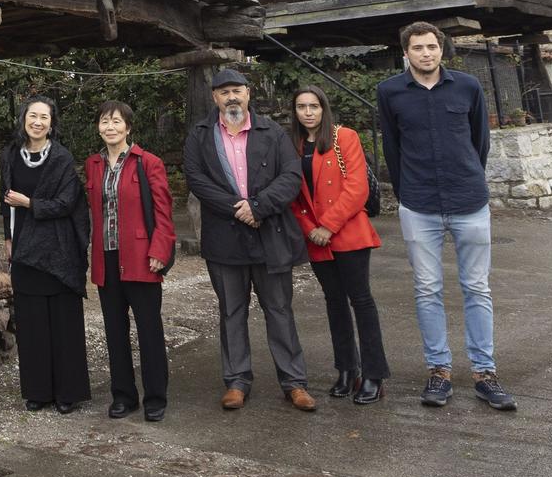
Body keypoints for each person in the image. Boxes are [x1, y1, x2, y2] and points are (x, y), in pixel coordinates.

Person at [376, 21, 517, 411]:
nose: (426, 53)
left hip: (469, 201)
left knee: (477, 287)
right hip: (418, 205)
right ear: (406, 52)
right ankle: (438, 371)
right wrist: (407, 195)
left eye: (432, 47)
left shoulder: (468, 87)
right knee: (427, 289)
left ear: (442, 49)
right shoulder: (389, 92)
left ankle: (485, 374)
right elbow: (392, 146)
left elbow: (479, 143)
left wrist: (468, 178)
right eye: (418, 48)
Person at [184, 68, 318, 413]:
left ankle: (294, 382)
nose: (231, 97)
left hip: (268, 231)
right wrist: (237, 209)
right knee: (231, 311)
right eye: (224, 91)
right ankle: (237, 381)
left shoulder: (272, 132)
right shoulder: (200, 135)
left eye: (237, 91)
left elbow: (291, 176)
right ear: (215, 97)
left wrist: (258, 207)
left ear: (248, 94)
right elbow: (196, 179)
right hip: (225, 236)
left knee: (279, 310)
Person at [288, 87, 390, 405]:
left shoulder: (343, 137)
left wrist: (328, 226)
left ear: (324, 108)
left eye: (314, 106)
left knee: (361, 301)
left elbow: (357, 187)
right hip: (316, 236)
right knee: (334, 302)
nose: (308, 112)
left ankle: (374, 374)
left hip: (346, 231)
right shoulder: (291, 145)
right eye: (302, 107)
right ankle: (347, 369)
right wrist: (311, 228)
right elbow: (292, 194)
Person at [85, 101, 175, 421]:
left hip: (141, 257)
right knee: (114, 330)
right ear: (99, 127)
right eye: (105, 121)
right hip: (106, 258)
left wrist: (159, 252)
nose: (110, 127)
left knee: (149, 329)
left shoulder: (147, 163)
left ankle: (155, 397)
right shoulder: (93, 164)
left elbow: (164, 213)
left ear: (128, 127)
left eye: (116, 122)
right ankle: (123, 395)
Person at [0, 95, 91, 413]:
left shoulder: (62, 157)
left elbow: (67, 203)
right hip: (24, 250)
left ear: (52, 124)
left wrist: (29, 204)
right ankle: (37, 391)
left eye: (44, 117)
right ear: (24, 118)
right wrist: (9, 238)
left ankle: (68, 392)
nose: (37, 121)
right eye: (32, 115)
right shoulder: (10, 154)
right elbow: (5, 199)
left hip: (57, 250)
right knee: (33, 324)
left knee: (63, 324)